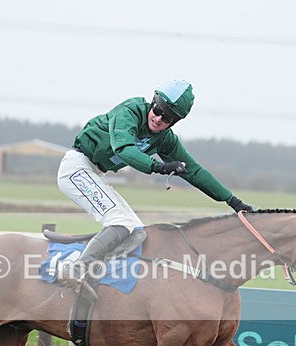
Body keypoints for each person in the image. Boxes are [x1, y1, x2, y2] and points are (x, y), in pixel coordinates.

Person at [57, 79, 253, 296]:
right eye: (157, 110)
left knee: (136, 232)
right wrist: (158, 166)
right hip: (76, 168)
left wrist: (233, 201)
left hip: (95, 174)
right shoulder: (130, 110)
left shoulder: (165, 140)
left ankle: (98, 279)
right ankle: (74, 269)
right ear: (152, 102)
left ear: (174, 122)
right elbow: (123, 149)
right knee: (120, 223)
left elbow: (195, 171)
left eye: (167, 117)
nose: (158, 118)